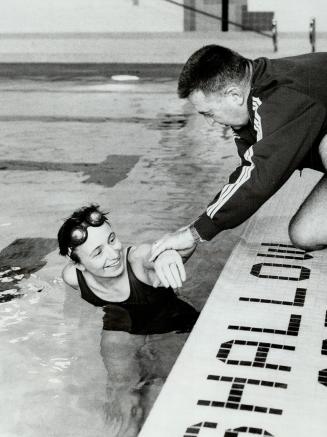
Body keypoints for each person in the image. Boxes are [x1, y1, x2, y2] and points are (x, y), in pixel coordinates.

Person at [150, 44, 327, 264]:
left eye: (209, 113)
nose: (210, 122)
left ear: (234, 95)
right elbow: (248, 169)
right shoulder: (252, 98)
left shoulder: (281, 97)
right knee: (305, 234)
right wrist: (197, 228)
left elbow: (260, 178)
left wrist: (193, 234)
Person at [57, 204, 198, 335]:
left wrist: (165, 252)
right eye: (98, 253)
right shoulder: (72, 277)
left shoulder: (136, 260)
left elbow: (161, 248)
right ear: (79, 265)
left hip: (176, 324)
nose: (114, 254)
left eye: (112, 240)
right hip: (123, 327)